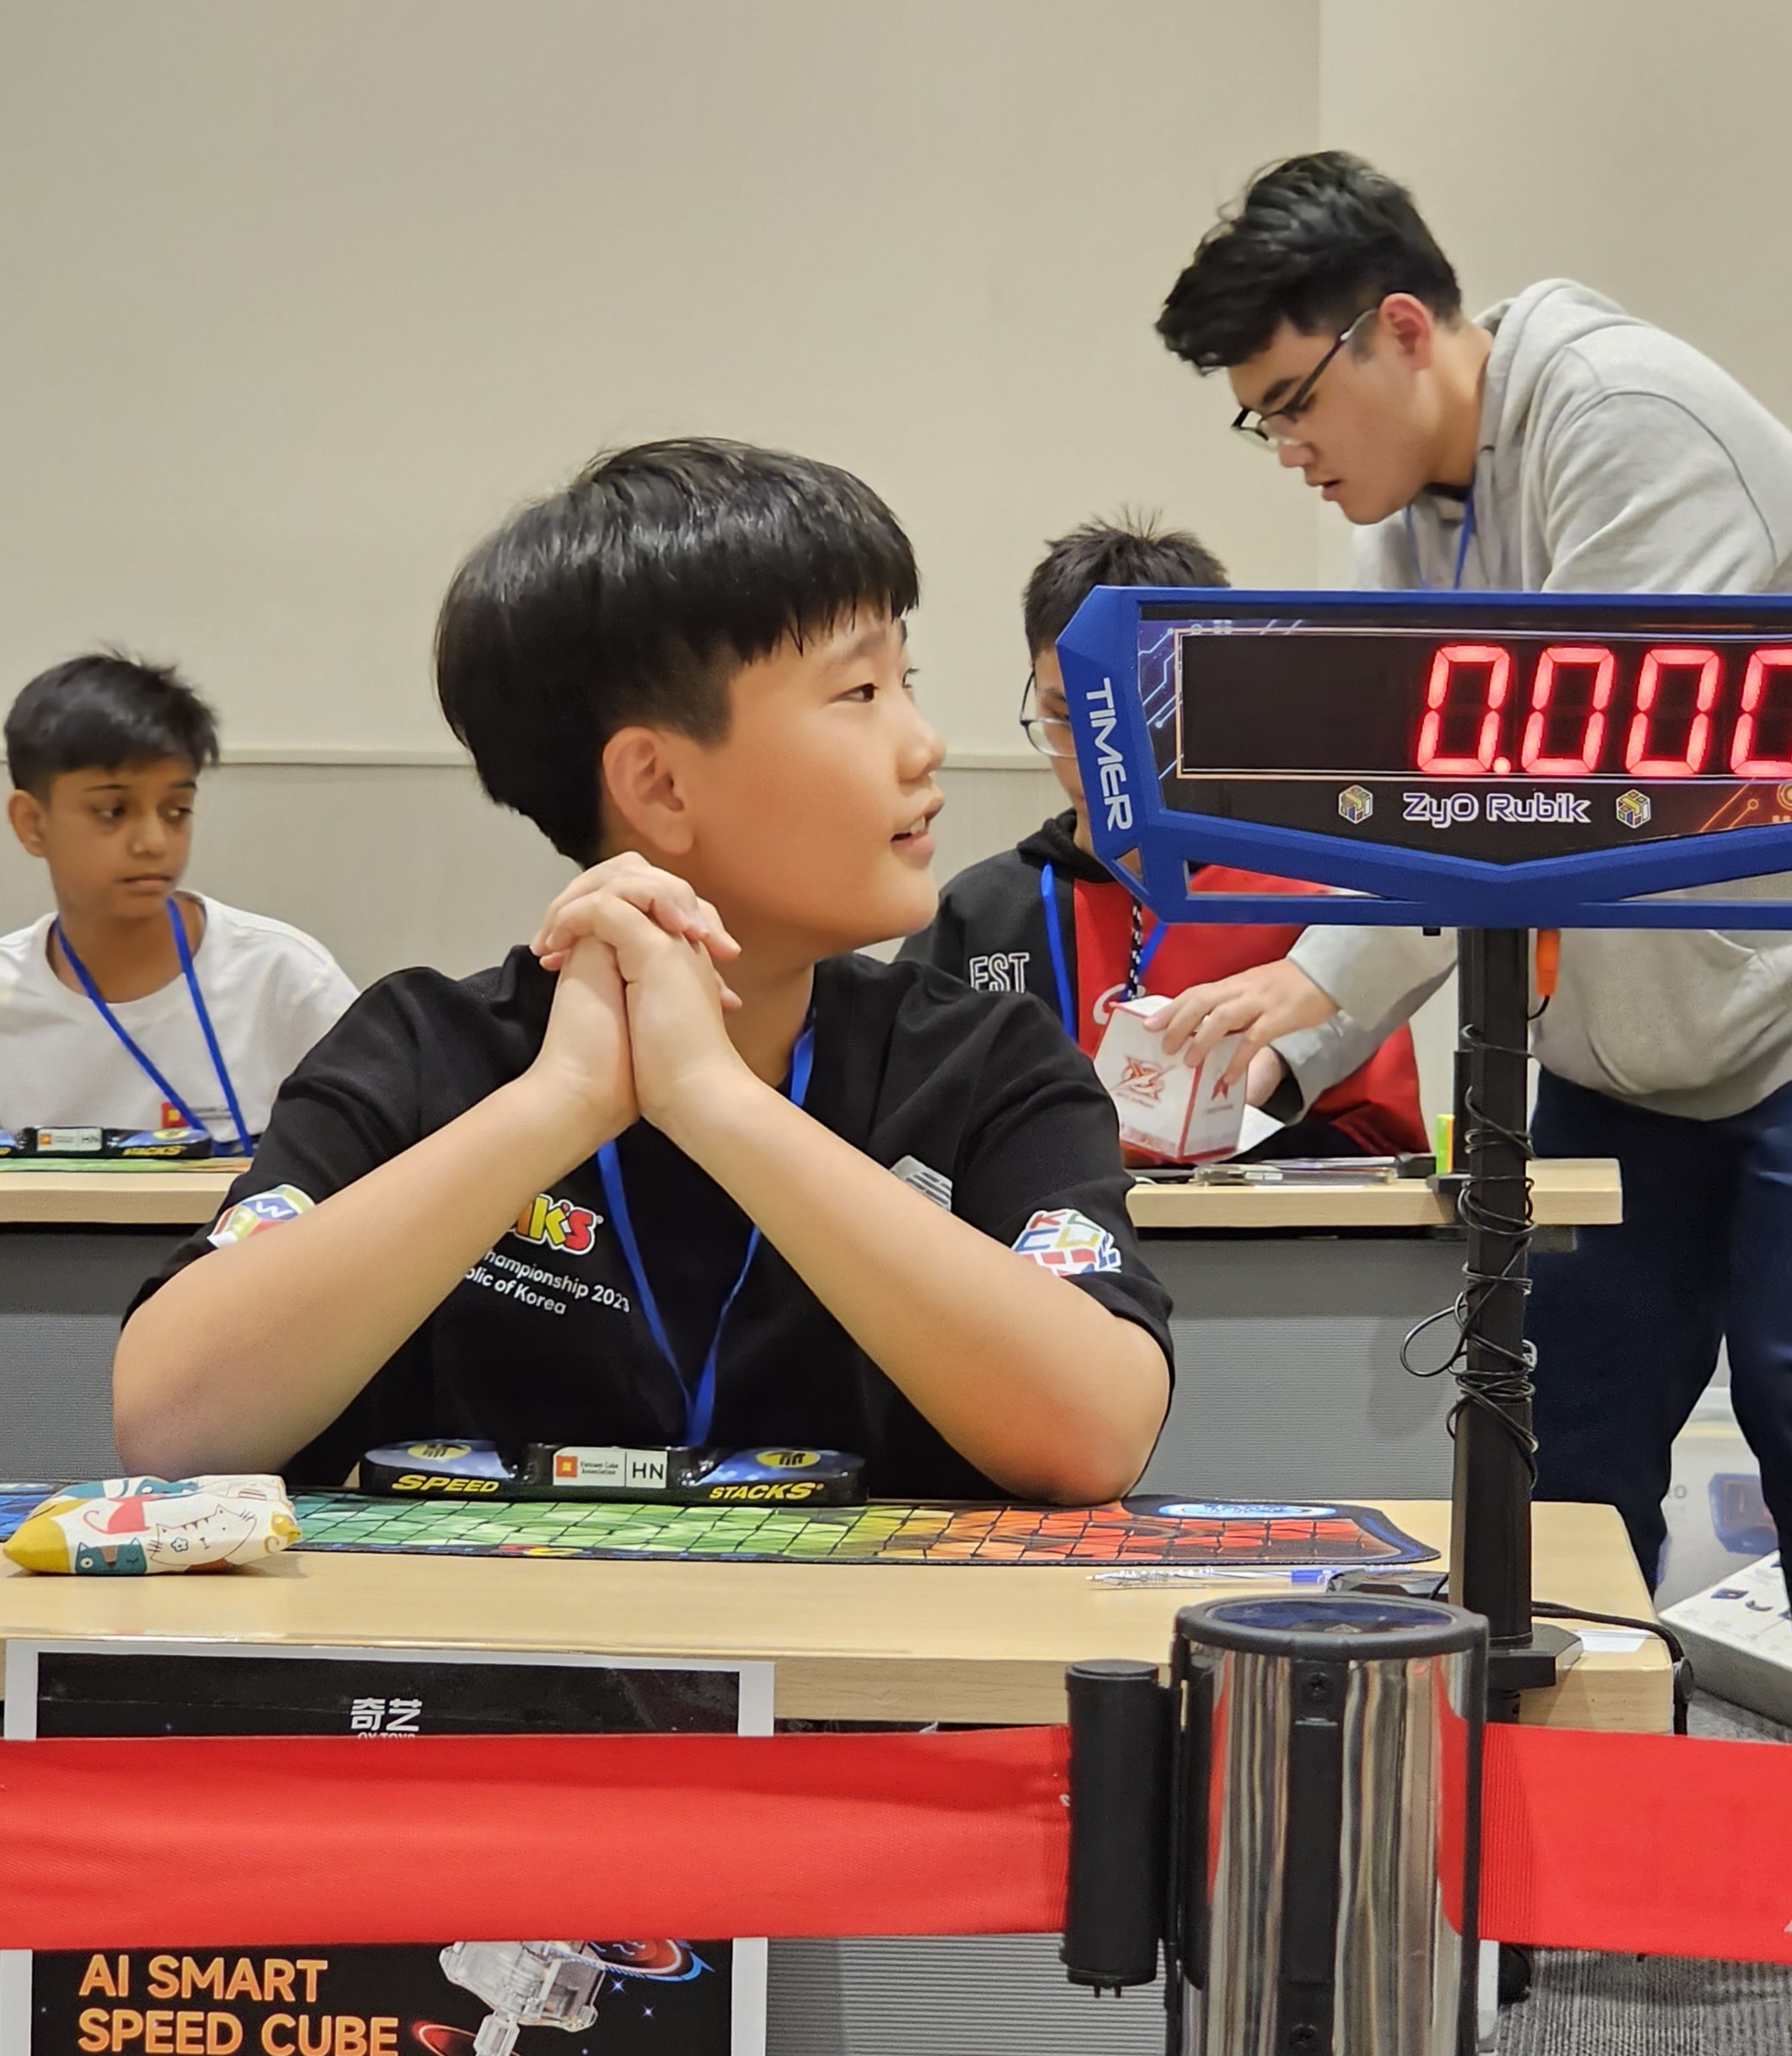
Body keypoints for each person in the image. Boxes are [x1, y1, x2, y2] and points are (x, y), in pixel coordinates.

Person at [113, 440, 1173, 1502]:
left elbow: (1094, 1435)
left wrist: (712, 1099)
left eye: (908, 680)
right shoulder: (423, 1055)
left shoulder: (986, 1064)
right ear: (659, 785)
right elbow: (172, 1424)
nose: (923, 742)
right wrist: (560, 1102)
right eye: (859, 690)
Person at [1150, 148, 1792, 1583]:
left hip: (1777, 1021)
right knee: (1551, 1474)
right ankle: (1570, 1734)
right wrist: (1279, 1036)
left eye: (1290, 404)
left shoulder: (1624, 421)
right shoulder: (1415, 524)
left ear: (1398, 327)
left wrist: (1317, 990)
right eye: (1259, 422)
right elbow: (1415, 810)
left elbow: (1559, 789)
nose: (1287, 449)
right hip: (1618, 1066)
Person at [900, 515, 1426, 1159]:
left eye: (1133, 719)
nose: (1099, 760)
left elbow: (1380, 1159)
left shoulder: (1318, 912)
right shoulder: (978, 915)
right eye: (1064, 717)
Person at [3, 654, 358, 1149]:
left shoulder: (284, 982)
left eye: (176, 811)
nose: (154, 841)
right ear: (31, 824)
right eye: (112, 811)